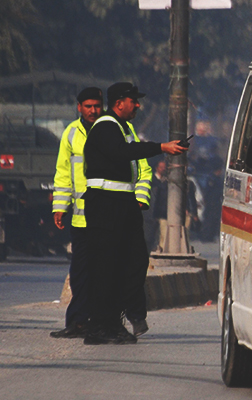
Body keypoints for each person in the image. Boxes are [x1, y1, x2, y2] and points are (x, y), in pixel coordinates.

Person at [82, 82, 188, 345]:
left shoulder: (122, 127)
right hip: (106, 205)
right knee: (107, 266)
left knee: (134, 261)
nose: (138, 105)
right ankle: (100, 326)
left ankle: (115, 320)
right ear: (119, 103)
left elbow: (131, 155)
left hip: (122, 204)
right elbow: (122, 153)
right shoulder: (106, 125)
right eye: (133, 101)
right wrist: (161, 147)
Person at [49, 87, 103, 339]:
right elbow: (62, 173)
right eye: (88, 106)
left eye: (97, 106)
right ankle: (77, 322)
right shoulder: (70, 133)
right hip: (81, 218)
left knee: (103, 271)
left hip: (107, 217)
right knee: (79, 272)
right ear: (79, 107)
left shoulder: (112, 129)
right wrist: (60, 206)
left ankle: (102, 321)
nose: (93, 110)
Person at [151, 160, 168, 251]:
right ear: (157, 168)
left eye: (164, 167)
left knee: (163, 232)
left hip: (162, 212)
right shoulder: (152, 179)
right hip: (152, 212)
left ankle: (161, 249)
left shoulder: (166, 181)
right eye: (161, 167)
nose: (163, 169)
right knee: (151, 233)